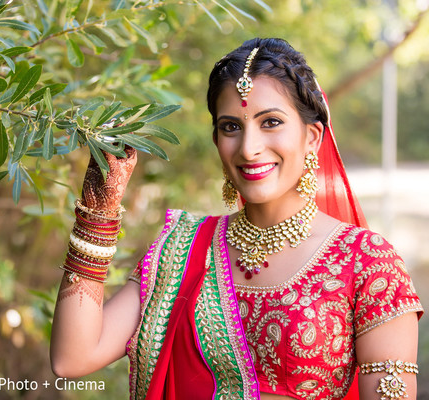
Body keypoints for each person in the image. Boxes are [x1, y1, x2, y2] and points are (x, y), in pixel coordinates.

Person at [50, 38, 423, 400]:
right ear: (216, 140)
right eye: (231, 126)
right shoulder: (181, 249)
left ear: (312, 137)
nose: (249, 148)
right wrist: (98, 210)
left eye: (271, 122)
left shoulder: (366, 263)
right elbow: (73, 357)